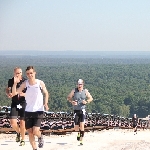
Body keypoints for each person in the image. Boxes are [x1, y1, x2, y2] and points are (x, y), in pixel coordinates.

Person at [12, 66, 49, 150]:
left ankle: (40, 136)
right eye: (28, 74)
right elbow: (14, 93)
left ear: (34, 73)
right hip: (28, 111)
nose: (30, 75)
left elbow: (46, 93)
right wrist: (14, 83)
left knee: (35, 131)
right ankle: (34, 148)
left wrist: (45, 103)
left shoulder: (40, 83)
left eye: (31, 73)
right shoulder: (25, 83)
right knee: (30, 132)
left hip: (38, 110)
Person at [67, 79, 93, 145]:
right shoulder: (74, 91)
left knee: (82, 125)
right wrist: (72, 101)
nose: (80, 85)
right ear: (77, 84)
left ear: (83, 84)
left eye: (81, 84)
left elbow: (91, 98)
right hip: (76, 110)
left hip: (82, 110)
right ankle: (78, 133)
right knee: (76, 127)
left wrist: (86, 101)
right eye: (79, 84)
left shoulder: (85, 91)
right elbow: (69, 97)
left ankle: (81, 140)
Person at [5, 67, 26, 146]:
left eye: (19, 73)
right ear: (14, 73)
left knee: (22, 122)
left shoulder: (25, 81)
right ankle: (19, 132)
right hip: (15, 102)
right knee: (13, 122)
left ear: (21, 73)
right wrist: (8, 93)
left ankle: (23, 140)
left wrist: (23, 94)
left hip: (23, 102)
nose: (18, 74)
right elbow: (8, 89)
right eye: (16, 73)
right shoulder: (11, 81)